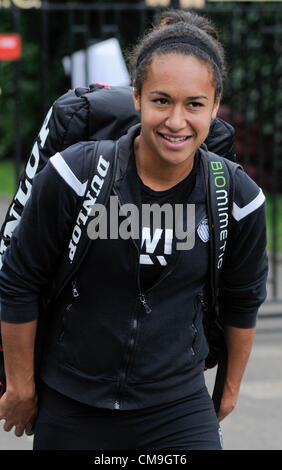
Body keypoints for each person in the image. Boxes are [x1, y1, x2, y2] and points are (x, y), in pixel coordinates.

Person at [0, 9, 268, 450]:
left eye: (194, 104)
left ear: (216, 106)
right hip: (72, 402)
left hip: (177, 407)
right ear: (137, 97)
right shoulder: (73, 174)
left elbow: (243, 300)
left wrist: (228, 392)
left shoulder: (237, 198)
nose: (177, 121)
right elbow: (19, 279)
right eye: (162, 100)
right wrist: (21, 385)